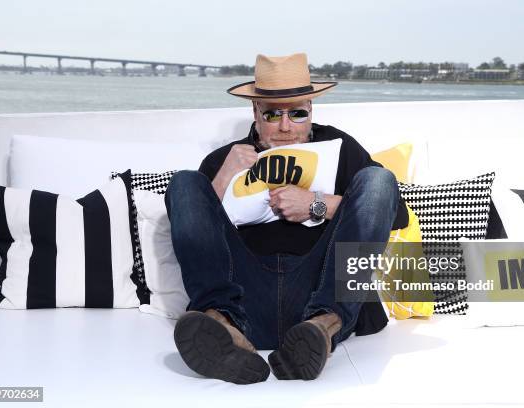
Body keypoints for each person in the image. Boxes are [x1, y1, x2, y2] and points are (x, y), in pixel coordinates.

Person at [164, 53, 407, 384]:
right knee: (184, 181)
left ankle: (324, 326)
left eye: (297, 113)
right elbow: (195, 225)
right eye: (272, 114)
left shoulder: (339, 146)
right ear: (255, 113)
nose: (284, 126)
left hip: (319, 288)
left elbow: (395, 213)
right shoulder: (227, 158)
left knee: (379, 179)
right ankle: (219, 325)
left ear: (311, 110)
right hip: (243, 298)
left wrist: (317, 204)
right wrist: (223, 177)